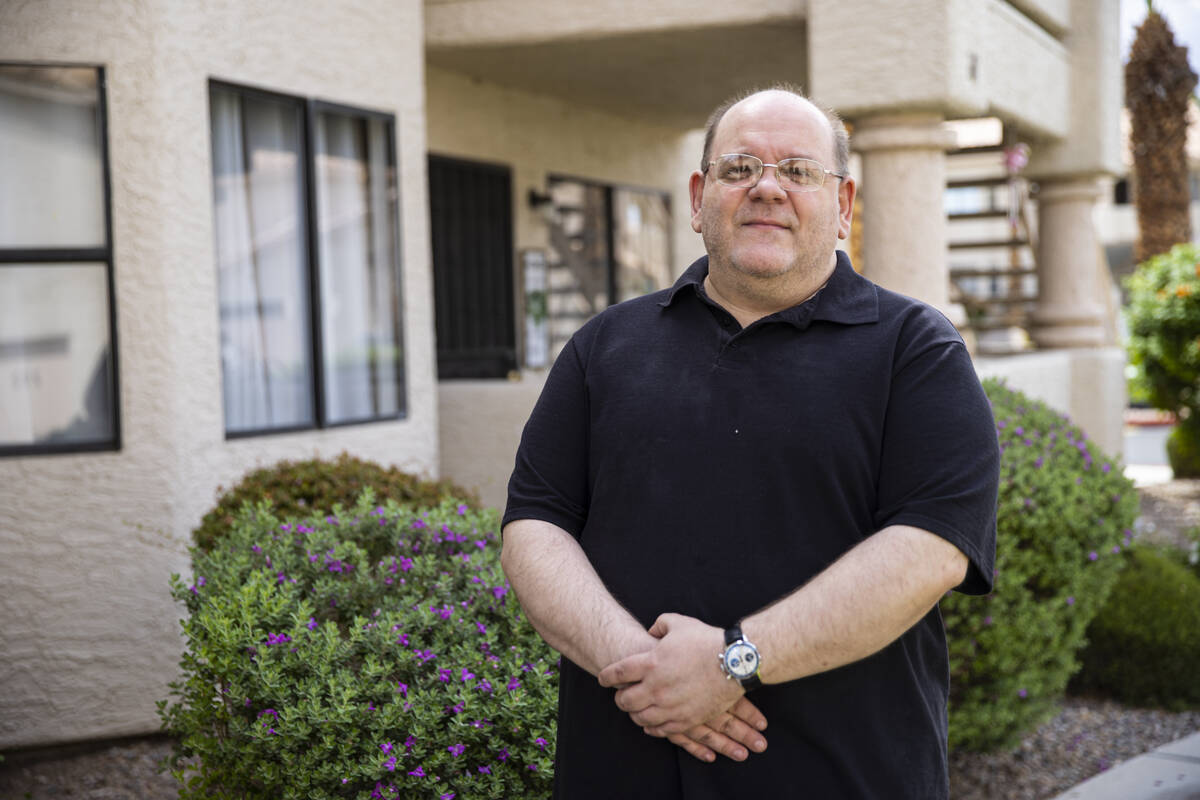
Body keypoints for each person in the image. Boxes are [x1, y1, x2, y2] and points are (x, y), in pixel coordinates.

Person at [501, 85, 1000, 799]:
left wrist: (733, 660)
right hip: (621, 772)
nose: (767, 188)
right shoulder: (604, 346)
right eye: (739, 169)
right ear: (701, 197)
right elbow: (534, 525)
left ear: (844, 205)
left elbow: (931, 549)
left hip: (845, 778)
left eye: (798, 171)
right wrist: (650, 673)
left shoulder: (916, 352)